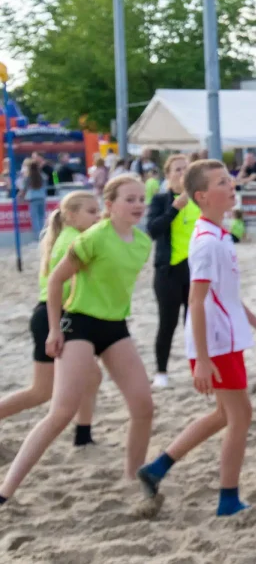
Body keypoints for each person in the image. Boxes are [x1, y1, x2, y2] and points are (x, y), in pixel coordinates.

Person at [137, 160, 256, 517]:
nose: (232, 186)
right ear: (202, 196)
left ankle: (157, 467)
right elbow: (196, 301)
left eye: (231, 180)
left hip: (227, 339)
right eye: (222, 182)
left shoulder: (220, 234)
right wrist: (201, 358)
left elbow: (228, 295)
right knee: (240, 416)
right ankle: (228, 499)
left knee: (224, 414)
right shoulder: (204, 242)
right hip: (215, 344)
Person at [0, 176, 154, 505]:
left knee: (143, 405)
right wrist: (55, 330)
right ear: (109, 206)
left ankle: (133, 481)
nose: (138, 204)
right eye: (130, 199)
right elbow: (54, 282)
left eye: (141, 198)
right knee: (60, 411)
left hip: (115, 327)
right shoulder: (93, 237)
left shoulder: (143, 243)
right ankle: (5, 491)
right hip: (78, 324)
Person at [0, 192, 102, 445]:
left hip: (56, 315)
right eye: (91, 211)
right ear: (70, 215)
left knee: (92, 376)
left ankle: (83, 434)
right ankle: (83, 434)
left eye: (98, 210)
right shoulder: (74, 241)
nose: (97, 216)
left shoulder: (72, 236)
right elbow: (63, 287)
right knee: (41, 392)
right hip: (52, 317)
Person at [146, 155, 200, 389]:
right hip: (168, 270)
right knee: (167, 323)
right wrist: (174, 208)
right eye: (177, 169)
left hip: (196, 270)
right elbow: (153, 230)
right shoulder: (160, 200)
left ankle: (198, 369)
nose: (181, 173)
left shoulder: (200, 199)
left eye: (185, 169)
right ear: (168, 175)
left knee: (195, 322)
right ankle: (161, 372)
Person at [18, 161, 48, 240]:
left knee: (35, 218)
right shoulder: (43, 176)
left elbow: (24, 189)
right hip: (42, 198)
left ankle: (38, 236)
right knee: (41, 217)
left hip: (33, 199)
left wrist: (20, 197)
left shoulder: (28, 177)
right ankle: (43, 235)